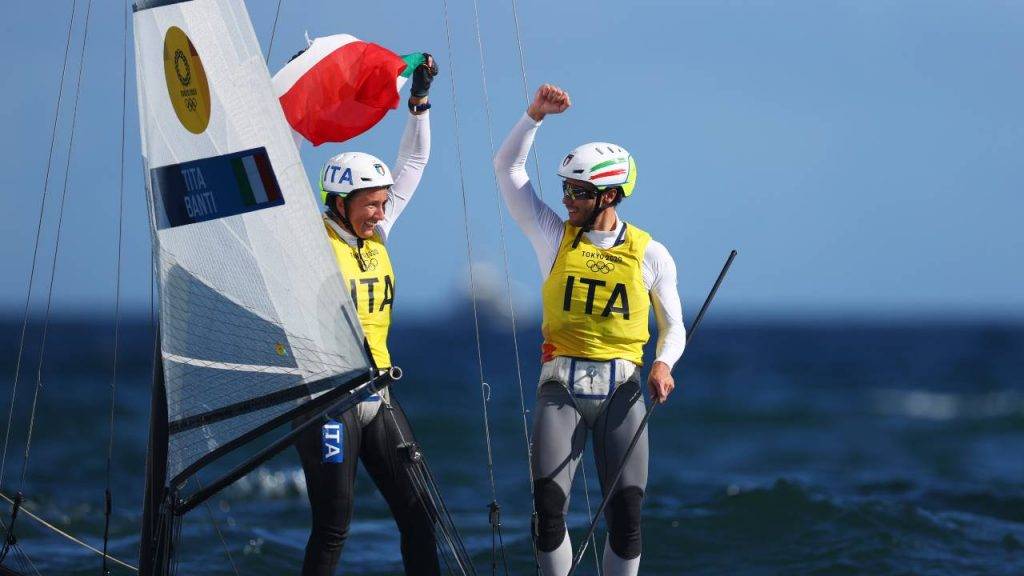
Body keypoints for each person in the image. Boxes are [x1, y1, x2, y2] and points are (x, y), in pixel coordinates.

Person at [493, 84, 686, 576]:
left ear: (609, 194)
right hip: (560, 386)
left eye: (577, 192)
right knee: (548, 509)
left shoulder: (650, 253)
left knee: (626, 515)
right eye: (565, 189)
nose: (567, 199)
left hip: (623, 387)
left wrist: (663, 363)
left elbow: (673, 325)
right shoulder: (553, 236)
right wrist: (533, 116)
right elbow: (507, 171)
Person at [293, 55, 441, 576]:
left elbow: (415, 164)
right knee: (333, 524)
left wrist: (418, 102)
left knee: (421, 515)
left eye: (383, 203)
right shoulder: (308, 242)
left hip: (376, 394)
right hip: (326, 400)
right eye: (369, 204)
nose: (380, 212)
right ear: (336, 202)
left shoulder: (376, 233)